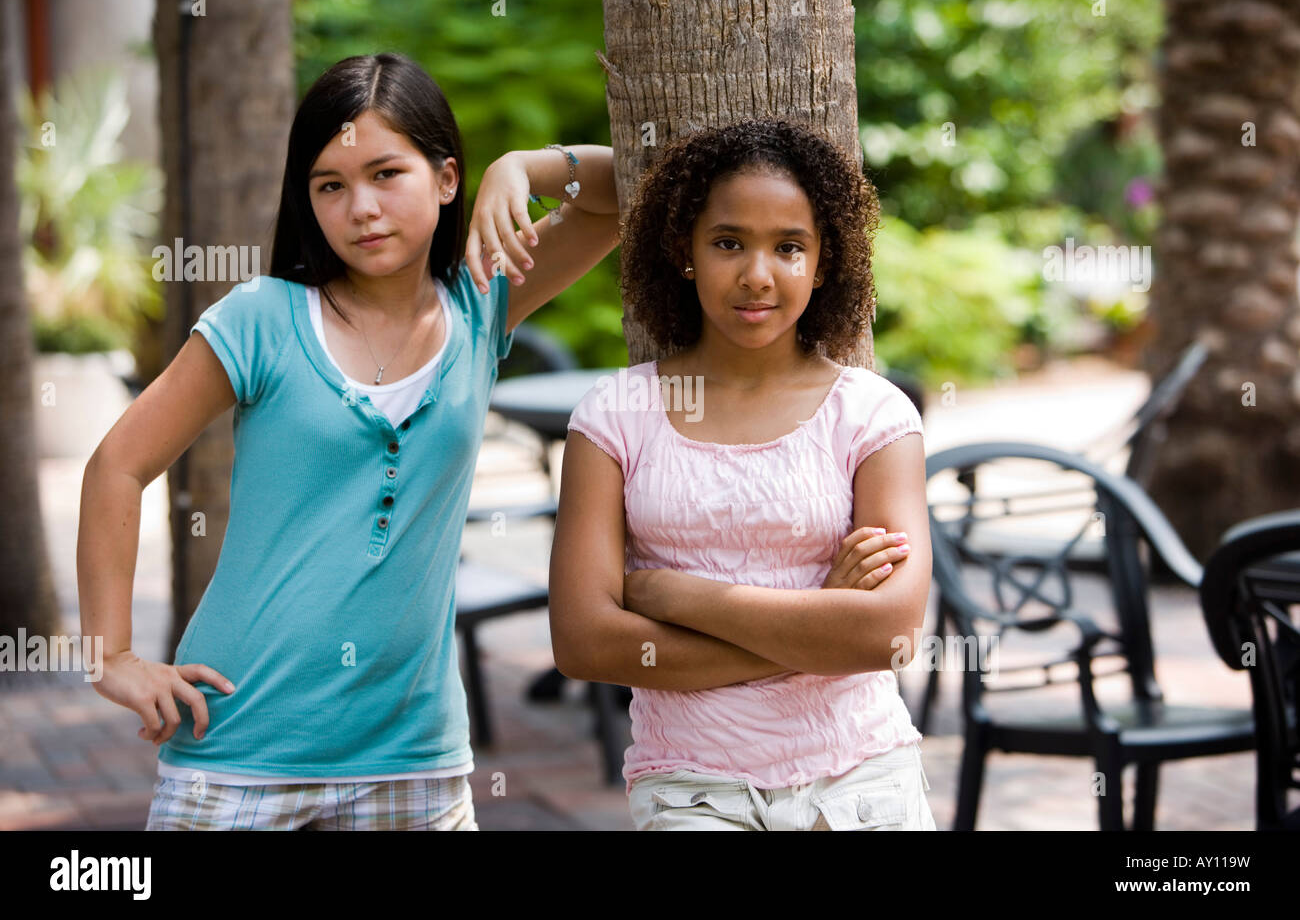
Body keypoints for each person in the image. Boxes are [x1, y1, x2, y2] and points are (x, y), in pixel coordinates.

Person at [77, 52, 620, 830]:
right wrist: (112, 657)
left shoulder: (482, 299)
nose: (360, 207)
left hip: (416, 763)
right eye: (330, 185)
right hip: (240, 750)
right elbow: (116, 466)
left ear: (444, 177)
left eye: (386, 174)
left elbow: (636, 192)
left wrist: (524, 169)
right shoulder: (261, 320)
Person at [549, 117, 936, 830]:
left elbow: (885, 636)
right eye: (729, 242)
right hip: (694, 791)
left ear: (823, 263)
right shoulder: (613, 417)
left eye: (789, 247)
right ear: (686, 252)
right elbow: (584, 643)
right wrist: (818, 621)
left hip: (863, 783)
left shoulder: (873, 416)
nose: (757, 274)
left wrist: (674, 595)